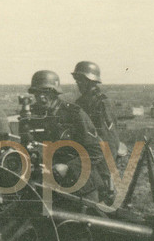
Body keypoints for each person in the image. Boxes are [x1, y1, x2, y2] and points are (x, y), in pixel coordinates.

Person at [25, 70, 112, 201]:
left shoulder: (74, 114)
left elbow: (96, 151)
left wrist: (68, 167)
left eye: (46, 92)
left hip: (81, 188)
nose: (41, 97)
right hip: (51, 187)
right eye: (37, 93)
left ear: (54, 93)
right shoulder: (34, 116)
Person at [72, 61, 122, 160]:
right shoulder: (81, 102)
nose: (78, 83)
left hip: (100, 156)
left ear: (90, 81)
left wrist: (106, 164)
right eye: (77, 80)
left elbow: (110, 138)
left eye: (80, 80)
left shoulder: (102, 103)